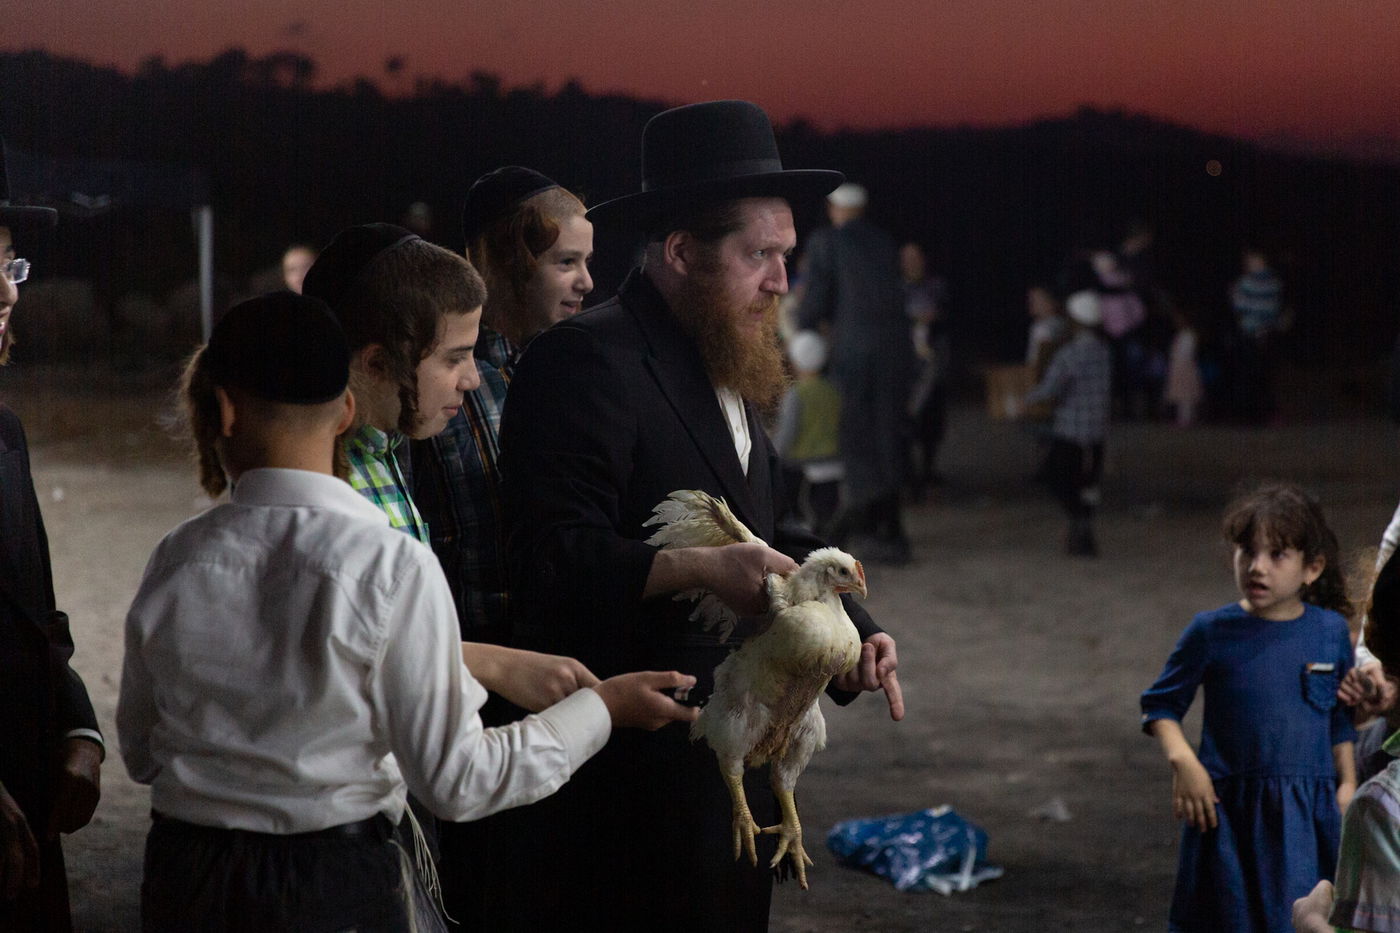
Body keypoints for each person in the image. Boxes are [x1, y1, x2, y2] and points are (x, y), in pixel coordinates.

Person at [117, 291, 700, 932]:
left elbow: (144, 753)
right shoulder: (389, 565)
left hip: (183, 883)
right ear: (344, 413)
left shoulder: (177, 558)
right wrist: (602, 710)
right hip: (329, 891)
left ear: (220, 408)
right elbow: (459, 781)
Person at [489, 99, 903, 931]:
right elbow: (545, 559)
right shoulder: (584, 360)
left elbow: (774, 532)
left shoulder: (729, 348)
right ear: (680, 251)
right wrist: (695, 567)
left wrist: (853, 633)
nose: (782, 282)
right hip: (629, 785)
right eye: (760, 255)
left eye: (787, 256)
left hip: (730, 768)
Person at [405, 168, 594, 928]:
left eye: (586, 261)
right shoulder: (437, 379)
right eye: (564, 263)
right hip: (461, 677)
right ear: (499, 257)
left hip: (552, 668)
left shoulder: (570, 367)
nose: (586, 282)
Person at [1141, 481, 1356, 933]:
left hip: (1304, 819)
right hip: (1229, 817)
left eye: (1277, 555)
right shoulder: (1211, 632)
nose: (1257, 567)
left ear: (1311, 568)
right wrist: (1185, 763)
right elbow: (1161, 705)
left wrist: (1348, 783)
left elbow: (1337, 718)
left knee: (1296, 917)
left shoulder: (1330, 633)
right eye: (1247, 552)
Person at [0, 149, 104, 933]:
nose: (7, 293)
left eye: (10, 265)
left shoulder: (5, 435)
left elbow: (32, 615)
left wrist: (76, 722)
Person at [795, 182, 916, 564]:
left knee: (858, 435)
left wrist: (804, 331)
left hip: (854, 354)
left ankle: (859, 526)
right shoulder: (884, 241)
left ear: (836, 208)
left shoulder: (825, 242)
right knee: (890, 431)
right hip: (897, 350)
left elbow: (815, 298)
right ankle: (891, 527)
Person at [1021, 290, 1111, 556]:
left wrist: (1025, 401)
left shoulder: (1070, 353)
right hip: (1096, 431)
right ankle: (1083, 533)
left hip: (1070, 430)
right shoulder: (1104, 351)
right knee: (1088, 483)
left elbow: (1051, 388)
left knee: (1056, 478)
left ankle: (1078, 520)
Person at [772, 330, 842, 536]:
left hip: (803, 464)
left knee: (803, 510)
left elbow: (787, 431)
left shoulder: (796, 394)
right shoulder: (834, 390)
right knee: (827, 512)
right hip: (834, 461)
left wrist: (774, 455)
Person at [901, 241, 950, 497]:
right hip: (906, 365)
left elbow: (945, 315)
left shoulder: (936, 286)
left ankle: (929, 470)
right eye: (906, 257)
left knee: (932, 420)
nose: (911, 262)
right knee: (907, 420)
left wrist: (935, 317)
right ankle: (910, 477)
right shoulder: (895, 287)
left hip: (933, 363)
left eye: (915, 256)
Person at [1231, 247, 1286, 423]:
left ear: (1258, 261)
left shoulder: (1247, 282)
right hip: (1269, 332)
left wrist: (1234, 295)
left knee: (1248, 374)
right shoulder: (1275, 281)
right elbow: (1275, 308)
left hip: (1250, 332)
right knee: (1266, 375)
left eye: (1250, 261)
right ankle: (1268, 413)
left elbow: (1241, 307)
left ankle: (1249, 415)